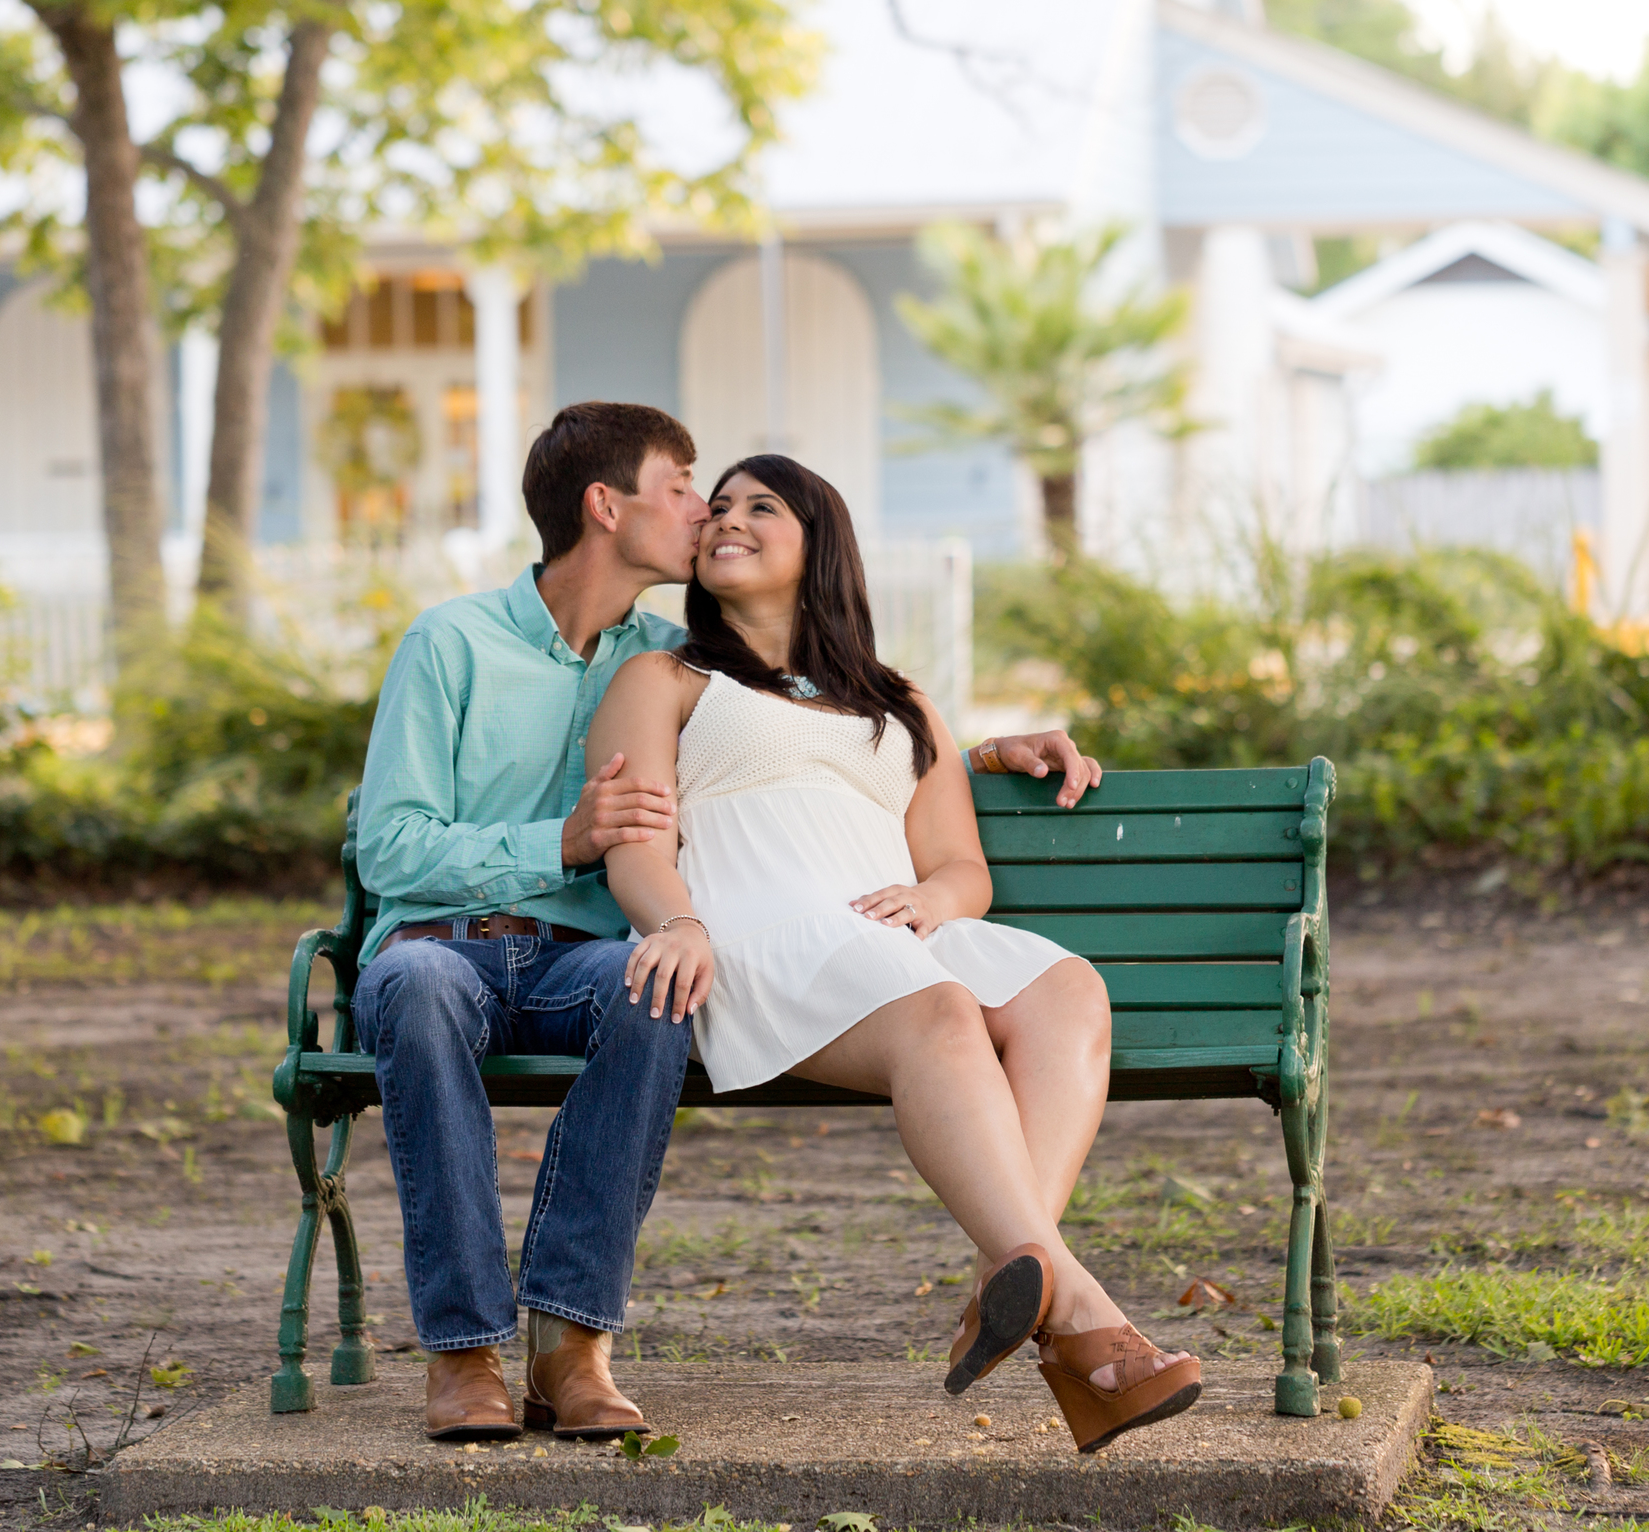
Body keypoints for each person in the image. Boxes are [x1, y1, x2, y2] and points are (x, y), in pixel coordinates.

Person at [353, 402, 1106, 1443]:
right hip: (443, 947)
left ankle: (571, 1344)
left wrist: (979, 751)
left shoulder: (669, 653)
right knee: (424, 992)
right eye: (683, 487)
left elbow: (803, 723)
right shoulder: (454, 642)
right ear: (606, 506)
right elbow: (388, 845)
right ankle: (463, 1349)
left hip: (596, 955)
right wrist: (558, 841)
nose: (704, 510)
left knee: (657, 989)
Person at [584, 452, 1200, 1454]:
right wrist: (679, 921)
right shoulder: (666, 678)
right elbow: (634, 844)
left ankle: (1017, 1277)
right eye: (717, 507)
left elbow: (961, 865)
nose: (725, 519)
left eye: (760, 505)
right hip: (759, 939)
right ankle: (1086, 1324)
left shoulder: (898, 698)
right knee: (944, 1013)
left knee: (1064, 986)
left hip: (890, 934)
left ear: (819, 541)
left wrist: (930, 896)